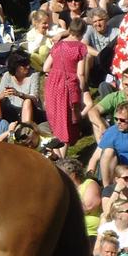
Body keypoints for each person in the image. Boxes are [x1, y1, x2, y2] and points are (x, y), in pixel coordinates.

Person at [42, 17, 90, 155]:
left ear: (69, 29)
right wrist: (82, 89)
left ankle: (55, 156)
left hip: (53, 83)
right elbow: (80, 73)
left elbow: (46, 67)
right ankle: (61, 158)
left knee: (57, 120)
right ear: (83, 32)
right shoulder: (81, 48)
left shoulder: (58, 45)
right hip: (68, 85)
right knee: (66, 122)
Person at [0, 49, 40, 124]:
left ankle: (25, 130)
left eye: (28, 63)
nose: (28, 67)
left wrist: (20, 94)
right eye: (24, 65)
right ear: (16, 66)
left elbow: (35, 99)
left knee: (27, 101)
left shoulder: (33, 75)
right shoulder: (7, 75)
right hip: (10, 110)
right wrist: (3, 95)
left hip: (29, 110)